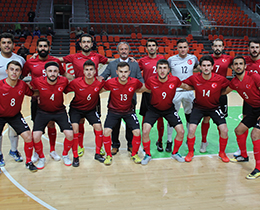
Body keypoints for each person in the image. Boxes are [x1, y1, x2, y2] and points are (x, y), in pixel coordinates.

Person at [57, 34, 113, 157]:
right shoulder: (74, 56)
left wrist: (125, 59)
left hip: (94, 92)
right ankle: (80, 146)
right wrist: (42, 58)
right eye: (84, 42)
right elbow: (58, 60)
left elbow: (109, 61)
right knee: (79, 122)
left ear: (92, 44)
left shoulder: (97, 56)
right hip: (79, 89)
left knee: (98, 124)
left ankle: (99, 148)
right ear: (80, 44)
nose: (86, 44)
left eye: (88, 42)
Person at [22, 37, 70, 163]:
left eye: (45, 46)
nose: (43, 48)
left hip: (53, 99)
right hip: (36, 99)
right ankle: (37, 153)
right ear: (37, 48)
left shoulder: (55, 61)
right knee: (36, 126)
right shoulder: (30, 62)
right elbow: (22, 77)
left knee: (51, 124)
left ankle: (52, 150)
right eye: (40, 46)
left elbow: (64, 75)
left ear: (49, 48)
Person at [180, 55, 230, 163]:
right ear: (200, 67)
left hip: (214, 107)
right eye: (204, 66)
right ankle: (190, 152)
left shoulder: (220, 79)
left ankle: (222, 153)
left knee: (224, 130)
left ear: (212, 67)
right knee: (191, 129)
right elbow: (183, 83)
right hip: (198, 108)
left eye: (208, 65)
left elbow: (231, 86)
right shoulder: (194, 78)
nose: (206, 68)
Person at [99, 42, 144, 155]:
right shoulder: (112, 64)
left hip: (130, 99)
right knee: (115, 125)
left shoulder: (135, 64)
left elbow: (140, 78)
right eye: (121, 49)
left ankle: (130, 144)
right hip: (115, 99)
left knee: (130, 125)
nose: (124, 51)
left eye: (125, 49)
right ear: (118, 51)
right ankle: (115, 145)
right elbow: (103, 76)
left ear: (129, 51)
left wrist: (141, 88)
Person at [30, 62, 74, 169]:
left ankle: (64, 154)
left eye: (55, 71)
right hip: (43, 112)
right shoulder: (37, 81)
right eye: (50, 71)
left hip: (59, 111)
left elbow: (74, 83)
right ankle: (41, 157)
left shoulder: (64, 81)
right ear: (45, 72)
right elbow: (28, 88)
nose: (52, 73)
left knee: (70, 134)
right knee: (35, 136)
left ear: (59, 72)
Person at [141, 59, 185, 165]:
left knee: (181, 131)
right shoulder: (151, 80)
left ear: (168, 70)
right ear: (156, 69)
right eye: (160, 68)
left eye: (165, 68)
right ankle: (147, 154)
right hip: (153, 109)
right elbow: (141, 89)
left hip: (169, 109)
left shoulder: (175, 80)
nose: (162, 70)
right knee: (145, 131)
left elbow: (185, 86)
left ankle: (175, 153)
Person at [222, 56, 260, 179]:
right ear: (232, 67)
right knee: (239, 130)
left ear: (245, 66)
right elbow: (223, 92)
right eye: (236, 64)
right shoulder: (234, 82)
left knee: (255, 134)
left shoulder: (254, 76)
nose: (238, 66)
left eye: (241, 64)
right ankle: (243, 156)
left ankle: (258, 168)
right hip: (253, 110)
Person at [64, 60, 105, 164]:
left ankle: (97, 153)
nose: (89, 72)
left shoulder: (99, 82)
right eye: (86, 70)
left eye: (91, 69)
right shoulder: (76, 82)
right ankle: (76, 155)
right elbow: (63, 90)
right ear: (83, 71)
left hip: (90, 109)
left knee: (99, 127)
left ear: (95, 71)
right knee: (75, 129)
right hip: (76, 109)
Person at [0, 61, 38, 172]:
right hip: (0, 115)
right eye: (11, 69)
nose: (14, 72)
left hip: (15, 115)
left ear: (20, 72)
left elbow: (32, 93)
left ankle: (28, 162)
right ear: (6, 71)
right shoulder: (0, 85)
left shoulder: (22, 85)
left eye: (17, 70)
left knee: (28, 137)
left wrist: (48, 91)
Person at [200, 38, 233, 153]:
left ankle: (221, 145)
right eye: (216, 46)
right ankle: (204, 142)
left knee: (221, 121)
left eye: (220, 46)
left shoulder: (228, 59)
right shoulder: (208, 60)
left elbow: (240, 68)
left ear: (223, 47)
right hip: (209, 94)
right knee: (206, 118)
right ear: (212, 47)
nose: (218, 48)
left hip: (221, 94)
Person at [167, 38, 199, 152]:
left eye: (185, 47)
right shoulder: (171, 60)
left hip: (189, 92)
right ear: (177, 48)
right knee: (172, 117)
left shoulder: (193, 58)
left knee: (189, 117)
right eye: (180, 47)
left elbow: (197, 68)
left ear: (188, 48)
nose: (183, 49)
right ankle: (169, 140)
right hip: (175, 92)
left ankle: (188, 140)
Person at [0, 33, 26, 166]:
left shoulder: (20, 59)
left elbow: (25, 74)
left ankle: (14, 150)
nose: (6, 45)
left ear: (13, 44)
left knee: (14, 128)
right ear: (0, 44)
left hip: (14, 99)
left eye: (9, 42)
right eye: (4, 43)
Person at [233, 39, 260, 157]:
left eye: (257, 47)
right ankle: (242, 151)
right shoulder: (244, 62)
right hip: (249, 99)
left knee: (256, 132)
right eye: (252, 47)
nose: (254, 50)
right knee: (243, 124)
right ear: (248, 49)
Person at [138, 39, 165, 152]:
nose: (151, 47)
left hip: (160, 93)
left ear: (157, 47)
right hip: (147, 93)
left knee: (160, 117)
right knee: (145, 117)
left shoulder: (162, 59)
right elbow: (135, 72)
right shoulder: (142, 61)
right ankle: (145, 141)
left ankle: (160, 141)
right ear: (146, 48)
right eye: (149, 46)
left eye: (153, 45)